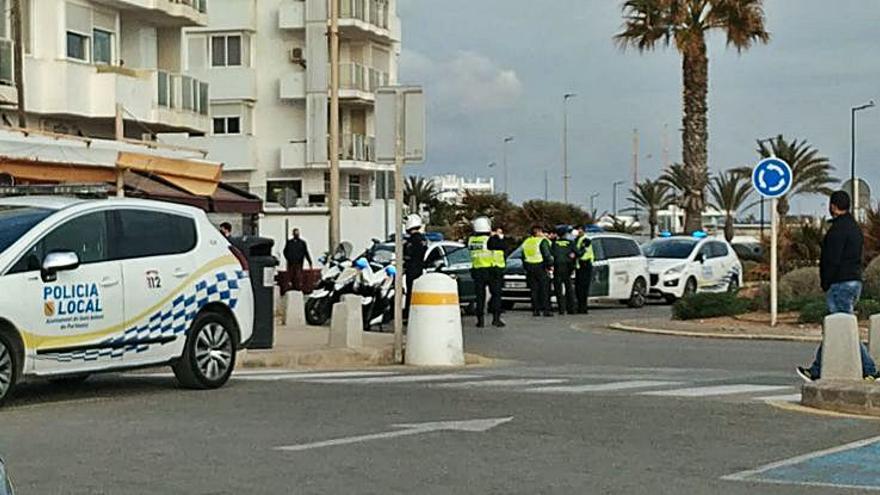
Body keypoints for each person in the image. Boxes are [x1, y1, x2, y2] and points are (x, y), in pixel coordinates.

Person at [797, 191, 878, 381]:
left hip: (839, 283)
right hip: (854, 280)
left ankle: (870, 369)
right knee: (840, 327)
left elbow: (831, 260)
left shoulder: (836, 231)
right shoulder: (855, 229)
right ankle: (816, 369)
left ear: (833, 206)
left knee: (841, 329)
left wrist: (826, 282)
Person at [468, 216, 507, 328]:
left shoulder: (471, 240)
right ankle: (496, 319)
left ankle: (480, 321)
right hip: (491, 270)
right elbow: (503, 246)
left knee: (480, 296)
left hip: (477, 270)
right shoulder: (491, 239)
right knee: (496, 295)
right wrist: (499, 236)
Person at [521, 225, 554, 317]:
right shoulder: (542, 241)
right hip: (540, 266)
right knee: (544, 289)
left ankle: (536, 310)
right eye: (542, 232)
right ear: (538, 232)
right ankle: (546, 310)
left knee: (534, 289)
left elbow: (522, 255)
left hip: (529, 267)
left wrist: (526, 266)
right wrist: (550, 265)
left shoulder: (526, 242)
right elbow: (547, 254)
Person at [403, 214, 428, 320]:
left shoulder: (412, 240)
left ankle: (408, 315)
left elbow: (407, 255)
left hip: (412, 269)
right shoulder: (423, 239)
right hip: (419, 268)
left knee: (410, 292)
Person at [552, 225, 577, 315]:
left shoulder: (554, 243)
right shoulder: (570, 243)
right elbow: (577, 253)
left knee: (558, 290)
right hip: (568, 268)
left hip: (557, 268)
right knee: (569, 289)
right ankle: (571, 309)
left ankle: (561, 309)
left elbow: (552, 254)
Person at [575, 227, 595, 314]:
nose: (578, 231)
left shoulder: (586, 240)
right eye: (577, 230)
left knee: (583, 288)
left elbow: (581, 251)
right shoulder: (577, 240)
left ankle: (583, 308)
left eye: (580, 229)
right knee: (578, 288)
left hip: (585, 264)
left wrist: (575, 255)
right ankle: (580, 307)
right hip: (579, 265)